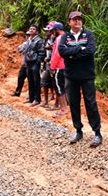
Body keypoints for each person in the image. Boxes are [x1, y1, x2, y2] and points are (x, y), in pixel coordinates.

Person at [59, 11, 102, 148]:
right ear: (69, 22)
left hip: (87, 76)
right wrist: (79, 48)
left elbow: (90, 51)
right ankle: (78, 130)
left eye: (79, 19)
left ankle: (97, 132)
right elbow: (62, 52)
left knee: (91, 103)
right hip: (71, 76)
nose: (77, 21)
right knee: (74, 104)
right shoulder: (65, 36)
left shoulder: (88, 34)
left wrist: (72, 52)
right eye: (74, 19)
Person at [49, 22, 68, 117]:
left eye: (53, 31)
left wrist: (52, 67)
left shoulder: (59, 38)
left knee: (59, 88)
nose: (52, 33)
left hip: (59, 67)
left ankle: (63, 109)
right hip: (68, 66)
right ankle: (66, 107)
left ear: (56, 30)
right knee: (65, 87)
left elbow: (56, 54)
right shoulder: (68, 37)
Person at [23, 25, 45, 106]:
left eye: (34, 29)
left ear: (37, 31)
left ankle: (37, 99)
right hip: (28, 62)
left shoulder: (39, 40)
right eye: (30, 28)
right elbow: (26, 51)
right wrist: (25, 62)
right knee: (30, 81)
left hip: (35, 63)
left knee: (36, 81)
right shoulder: (28, 39)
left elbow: (42, 52)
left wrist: (37, 62)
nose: (31, 30)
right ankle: (31, 98)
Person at [41, 21, 56, 108]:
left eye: (48, 30)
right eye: (46, 30)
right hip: (48, 64)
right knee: (44, 82)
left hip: (54, 64)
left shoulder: (55, 39)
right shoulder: (47, 39)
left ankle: (58, 103)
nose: (46, 32)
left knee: (55, 84)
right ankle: (46, 101)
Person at [12, 31, 30, 97]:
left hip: (30, 65)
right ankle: (17, 92)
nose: (28, 36)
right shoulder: (26, 43)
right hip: (24, 64)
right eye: (27, 35)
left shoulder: (32, 43)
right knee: (20, 78)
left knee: (31, 81)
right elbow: (19, 49)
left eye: (29, 35)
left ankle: (30, 95)